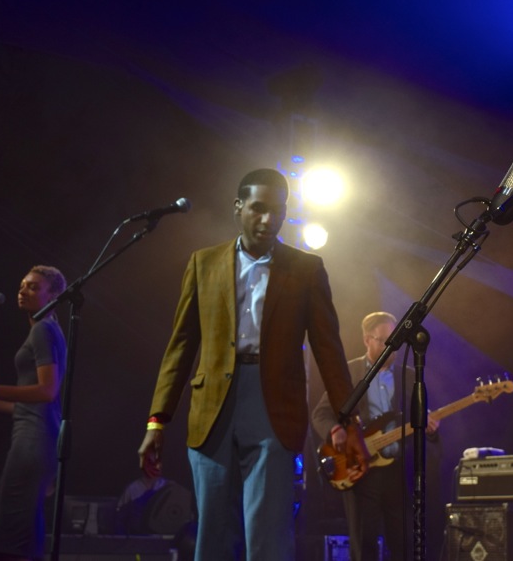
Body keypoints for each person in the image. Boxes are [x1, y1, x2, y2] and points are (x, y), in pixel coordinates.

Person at [137, 168, 368, 561]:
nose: (267, 219)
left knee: (268, 535)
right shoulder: (203, 263)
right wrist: (157, 421)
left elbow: (328, 350)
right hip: (212, 408)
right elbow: (180, 346)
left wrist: (346, 419)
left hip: (274, 406)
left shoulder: (306, 268)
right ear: (238, 207)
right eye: (258, 209)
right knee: (209, 532)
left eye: (277, 211)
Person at [311, 311, 440, 561]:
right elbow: (321, 413)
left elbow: (420, 422)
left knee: (404, 543)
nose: (390, 347)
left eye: (394, 339)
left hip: (399, 473)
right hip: (361, 472)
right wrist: (336, 430)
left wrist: (430, 429)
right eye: (382, 340)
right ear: (366, 340)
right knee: (364, 544)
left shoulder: (410, 375)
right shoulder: (348, 373)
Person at [0, 265, 67, 561]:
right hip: (38, 435)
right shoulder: (49, 328)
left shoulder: (42, 329)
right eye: (23, 285)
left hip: (33, 442)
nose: (23, 290)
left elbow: (46, 391)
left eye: (34, 287)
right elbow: (37, 405)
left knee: (11, 531)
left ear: (53, 295)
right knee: (17, 523)